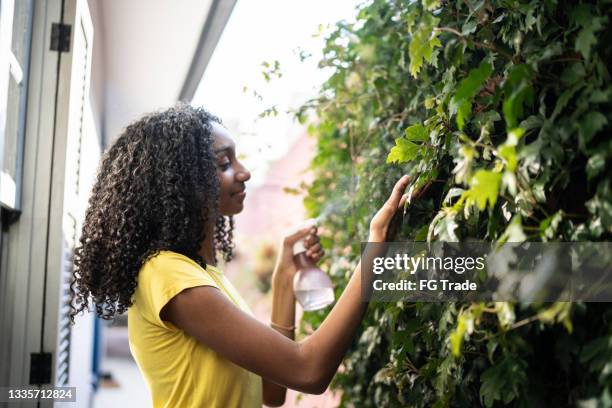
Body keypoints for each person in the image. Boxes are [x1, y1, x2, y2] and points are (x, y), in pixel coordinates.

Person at [70, 103, 414, 407]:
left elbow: (273, 391)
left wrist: (284, 279)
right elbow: (308, 370)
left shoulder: (204, 275)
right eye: (224, 163)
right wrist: (377, 247)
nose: (244, 172)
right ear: (182, 181)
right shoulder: (168, 275)